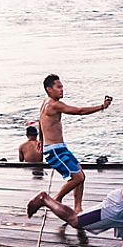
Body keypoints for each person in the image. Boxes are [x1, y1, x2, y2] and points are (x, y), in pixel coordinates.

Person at [38, 74, 112, 214]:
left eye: (62, 87)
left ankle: (78, 208)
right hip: (54, 151)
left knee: (80, 174)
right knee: (78, 177)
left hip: (60, 148)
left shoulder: (46, 102)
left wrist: (41, 140)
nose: (62, 90)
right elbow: (79, 111)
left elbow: (40, 121)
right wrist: (102, 106)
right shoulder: (54, 105)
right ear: (49, 89)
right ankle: (55, 200)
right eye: (58, 87)